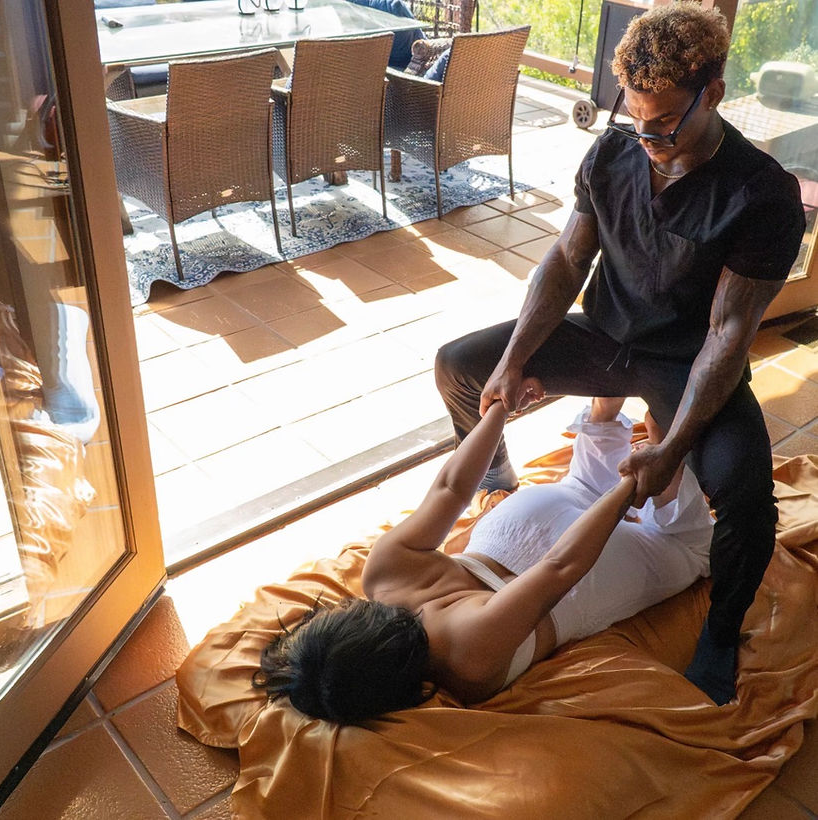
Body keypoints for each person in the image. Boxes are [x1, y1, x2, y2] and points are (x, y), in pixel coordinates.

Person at [433, 5, 805, 705]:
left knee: (749, 498)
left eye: (663, 124)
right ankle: (497, 479)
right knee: (461, 366)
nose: (648, 139)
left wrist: (675, 446)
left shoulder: (761, 194)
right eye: (634, 120)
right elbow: (568, 259)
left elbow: (728, 334)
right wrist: (516, 357)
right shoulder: (614, 151)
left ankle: (722, 635)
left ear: (713, 94)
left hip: (685, 361)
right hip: (604, 337)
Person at [253, 393, 714, 724]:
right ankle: (606, 413)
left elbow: (561, 568)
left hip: (583, 562)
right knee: (579, 488)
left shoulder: (467, 658)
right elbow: (452, 488)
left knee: (688, 549)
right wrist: (499, 408)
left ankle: (660, 458)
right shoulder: (383, 572)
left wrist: (629, 489)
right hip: (519, 524)